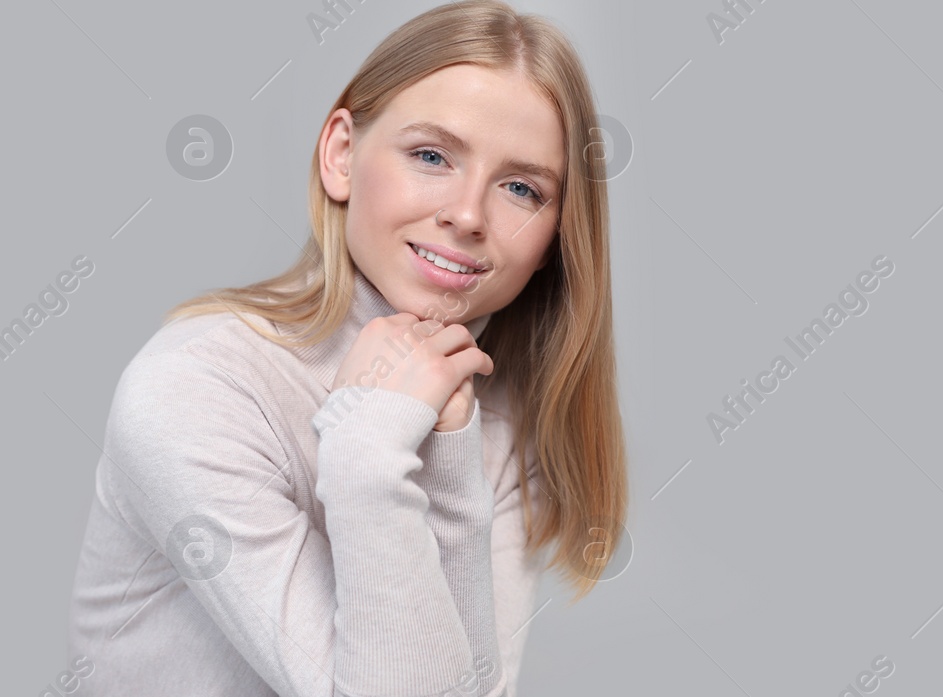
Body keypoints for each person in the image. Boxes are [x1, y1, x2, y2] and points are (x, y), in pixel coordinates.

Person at [64, 2, 627, 693]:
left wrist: (450, 455)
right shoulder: (194, 386)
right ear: (341, 155)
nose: (470, 214)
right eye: (431, 155)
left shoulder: (499, 416)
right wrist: (367, 448)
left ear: (554, 240)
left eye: (521, 188)